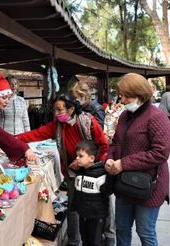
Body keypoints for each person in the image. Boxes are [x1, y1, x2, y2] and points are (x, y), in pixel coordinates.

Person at [16, 94, 109, 246]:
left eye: (60, 110)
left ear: (71, 109)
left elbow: (104, 146)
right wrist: (12, 139)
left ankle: (107, 238)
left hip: (93, 174)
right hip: (72, 174)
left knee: (99, 208)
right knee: (73, 207)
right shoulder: (57, 126)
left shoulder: (88, 122)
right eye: (55, 110)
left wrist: (88, 164)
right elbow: (35, 134)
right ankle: (73, 241)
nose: (56, 114)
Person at [104, 73, 170, 246]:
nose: (123, 99)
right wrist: (110, 159)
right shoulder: (124, 117)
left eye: (127, 95)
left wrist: (123, 163)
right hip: (124, 185)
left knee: (145, 232)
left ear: (140, 94)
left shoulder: (156, 117)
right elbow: (115, 143)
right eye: (121, 94)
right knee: (122, 229)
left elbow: (160, 153)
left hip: (148, 187)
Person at [70, 81, 115, 245]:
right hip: (85, 159)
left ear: (83, 96)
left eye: (77, 97)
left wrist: (95, 161)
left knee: (104, 202)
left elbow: (100, 138)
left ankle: (109, 236)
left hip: (93, 160)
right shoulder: (80, 110)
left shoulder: (95, 109)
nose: (75, 100)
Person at [72, 139, 113, 246]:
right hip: (83, 214)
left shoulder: (100, 175)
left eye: (80, 156)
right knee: (85, 239)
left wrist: (111, 175)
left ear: (91, 158)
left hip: (96, 217)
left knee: (95, 241)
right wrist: (74, 207)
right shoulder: (80, 173)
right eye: (77, 155)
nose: (77, 158)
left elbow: (107, 191)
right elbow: (77, 193)